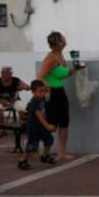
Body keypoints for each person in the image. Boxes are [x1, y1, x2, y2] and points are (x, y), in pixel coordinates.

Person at [37, 31, 77, 162]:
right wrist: (47, 90)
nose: (65, 39)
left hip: (60, 91)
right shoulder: (51, 59)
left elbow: (63, 75)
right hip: (52, 93)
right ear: (59, 43)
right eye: (63, 37)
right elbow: (40, 77)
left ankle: (62, 153)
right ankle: (38, 148)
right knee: (52, 124)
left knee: (64, 123)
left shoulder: (60, 56)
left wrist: (76, 69)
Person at [18, 80, 57, 170]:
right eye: (40, 91)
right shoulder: (34, 102)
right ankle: (23, 161)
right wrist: (48, 126)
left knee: (49, 140)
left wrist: (48, 87)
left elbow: (48, 95)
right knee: (32, 146)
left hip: (42, 128)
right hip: (34, 128)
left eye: (43, 90)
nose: (43, 93)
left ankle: (45, 156)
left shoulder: (42, 98)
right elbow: (40, 117)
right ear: (33, 92)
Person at [0, 66, 30, 133]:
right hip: (1, 101)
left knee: (23, 109)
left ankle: (25, 126)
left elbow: (28, 87)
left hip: (15, 100)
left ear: (10, 74)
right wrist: (0, 101)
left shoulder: (16, 80)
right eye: (2, 73)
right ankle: (1, 129)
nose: (3, 75)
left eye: (5, 73)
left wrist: (24, 87)